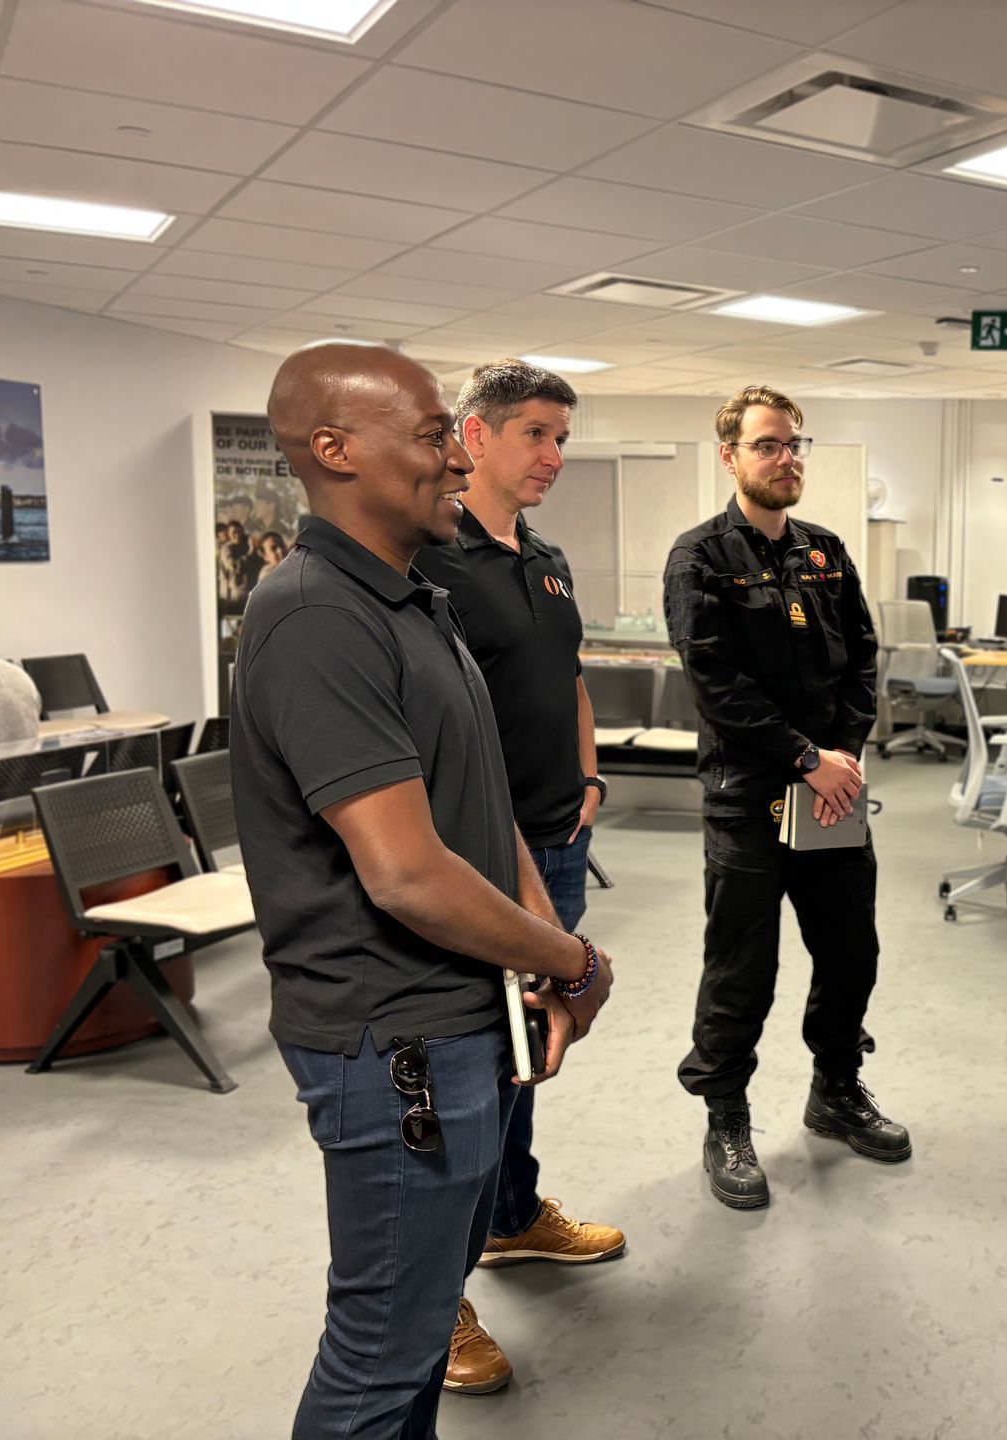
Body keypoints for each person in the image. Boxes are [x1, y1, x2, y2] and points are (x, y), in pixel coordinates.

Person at [232, 341, 614, 1438]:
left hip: (458, 1018)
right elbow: (404, 872)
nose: (457, 457)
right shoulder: (313, 615)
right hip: (388, 1041)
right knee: (382, 1354)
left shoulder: (411, 598)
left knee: (404, 1365)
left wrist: (544, 939)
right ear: (334, 450)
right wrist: (575, 960)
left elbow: (481, 810)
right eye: (432, 433)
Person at [415, 358, 627, 1395]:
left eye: (561, 438)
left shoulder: (543, 558)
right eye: (536, 434)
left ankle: (509, 1218)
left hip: (559, 841)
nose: (552, 456)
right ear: (474, 436)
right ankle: (434, 1297)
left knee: (533, 1051)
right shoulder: (430, 563)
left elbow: (569, 676)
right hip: (480, 862)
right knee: (472, 1073)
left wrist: (588, 778)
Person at [662, 384, 909, 1210]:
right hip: (750, 798)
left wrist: (841, 756)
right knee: (743, 967)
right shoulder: (699, 559)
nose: (787, 458)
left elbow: (862, 665)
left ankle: (835, 1089)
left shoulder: (827, 553)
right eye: (769, 444)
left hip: (831, 798)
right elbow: (717, 685)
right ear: (729, 455)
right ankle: (726, 1117)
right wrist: (807, 757)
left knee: (850, 953)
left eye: (796, 444)